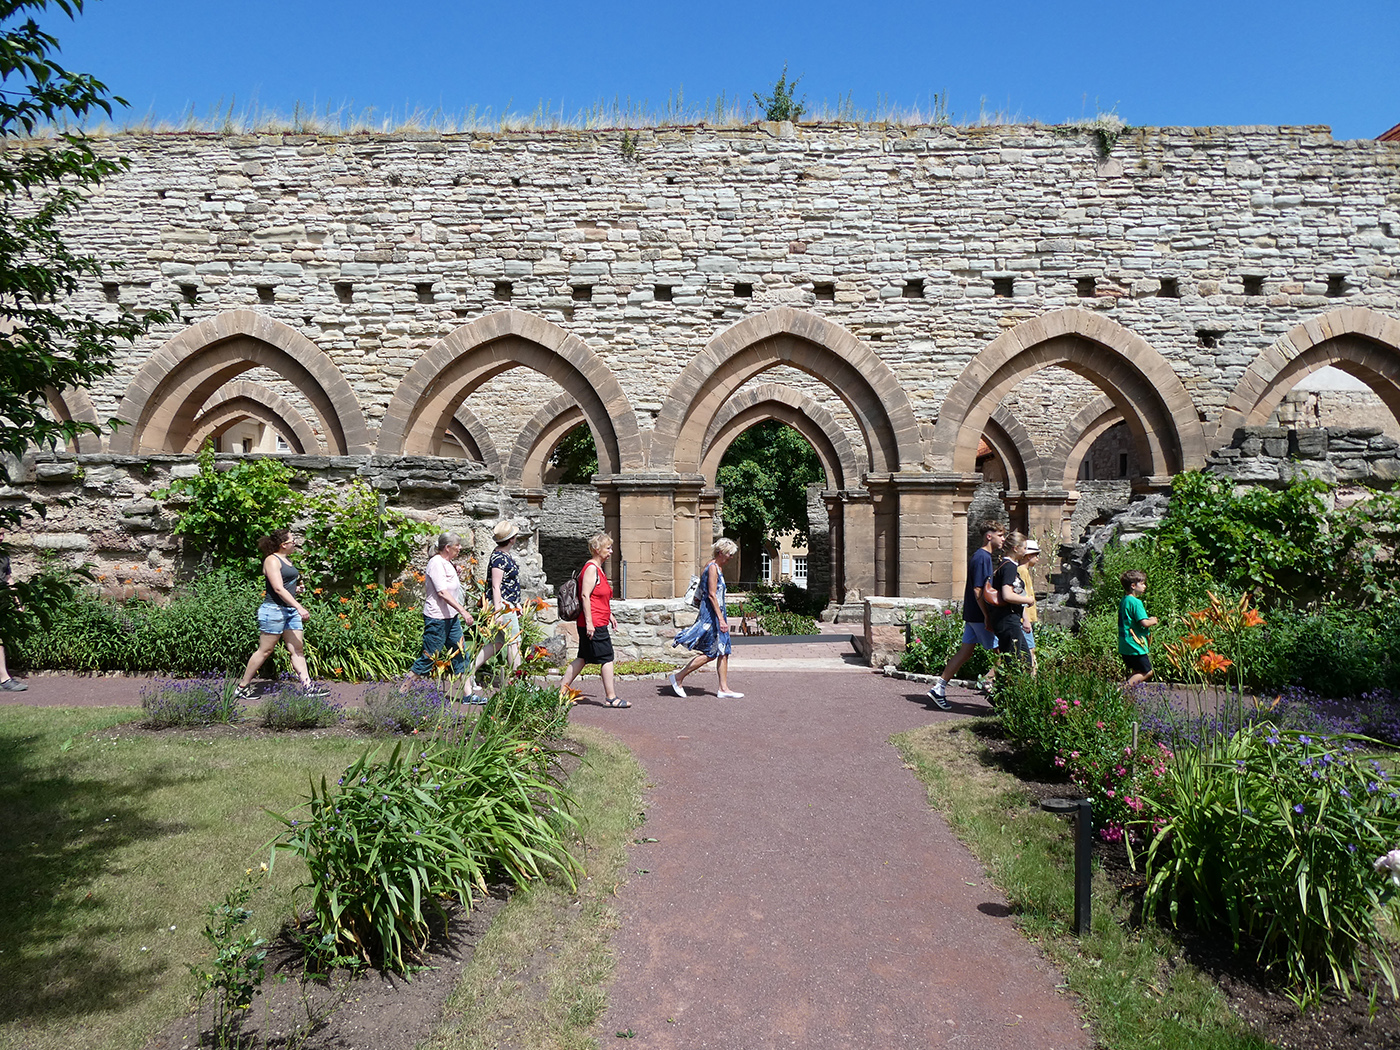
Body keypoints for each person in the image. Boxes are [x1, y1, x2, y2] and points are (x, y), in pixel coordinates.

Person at [236, 529, 328, 699]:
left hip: (289, 611)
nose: (295, 544)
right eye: (293, 541)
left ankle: (308, 687)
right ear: (283, 545)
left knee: (297, 650)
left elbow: (284, 585)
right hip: (274, 611)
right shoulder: (272, 560)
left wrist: (296, 590)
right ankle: (242, 687)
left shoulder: (287, 560)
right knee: (265, 650)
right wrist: (299, 607)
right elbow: (277, 588)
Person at [927, 520, 1004, 710]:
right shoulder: (982, 557)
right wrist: (987, 616)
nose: (1003, 539)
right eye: (1000, 535)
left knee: (965, 652)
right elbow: (979, 589)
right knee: (1004, 653)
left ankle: (939, 688)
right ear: (989, 536)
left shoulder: (981, 556)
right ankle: (987, 683)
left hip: (972, 614)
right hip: (979, 615)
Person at [401, 532, 483, 701]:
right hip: (437, 619)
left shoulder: (447, 563)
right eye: (457, 545)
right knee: (429, 657)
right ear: (447, 547)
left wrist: (455, 572)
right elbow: (442, 592)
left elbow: (448, 584)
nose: (460, 548)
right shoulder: (436, 563)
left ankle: (468, 695)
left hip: (451, 619)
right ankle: (401, 693)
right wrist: (463, 611)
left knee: (461, 654)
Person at [559, 532, 628, 707]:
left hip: (596, 620)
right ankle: (611, 698)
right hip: (593, 622)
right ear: (597, 549)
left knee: (582, 658)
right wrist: (590, 623)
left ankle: (561, 693)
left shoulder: (598, 569)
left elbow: (599, 596)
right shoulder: (591, 569)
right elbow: (585, 595)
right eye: (608, 548)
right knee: (607, 657)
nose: (611, 551)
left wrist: (609, 615)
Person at [669, 538, 743, 699]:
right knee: (711, 652)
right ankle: (678, 677)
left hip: (717, 614)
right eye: (729, 554)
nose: (731, 557)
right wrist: (721, 620)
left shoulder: (716, 567)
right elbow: (711, 595)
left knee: (724, 651)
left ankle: (723, 688)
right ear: (720, 553)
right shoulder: (713, 568)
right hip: (711, 616)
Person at [470, 520, 523, 684]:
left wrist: (517, 603)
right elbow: (496, 586)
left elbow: (510, 583)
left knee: (498, 643)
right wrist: (499, 611)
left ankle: (469, 672)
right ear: (511, 539)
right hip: (503, 606)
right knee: (514, 642)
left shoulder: (503, 555)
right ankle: (518, 683)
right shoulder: (499, 558)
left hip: (508, 604)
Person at [988, 531, 1035, 666]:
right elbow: (1007, 595)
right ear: (1015, 548)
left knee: (1025, 660)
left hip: (1011, 619)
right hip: (1007, 619)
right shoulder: (1009, 567)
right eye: (1024, 548)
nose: (1025, 551)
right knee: (1015, 661)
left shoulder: (1008, 565)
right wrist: (1028, 600)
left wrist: (1025, 617)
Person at [1118, 569, 1158, 689]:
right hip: (1135, 645)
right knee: (1147, 672)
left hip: (1125, 643)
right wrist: (1153, 620)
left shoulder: (1124, 600)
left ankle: (1126, 694)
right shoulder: (1136, 602)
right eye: (1142, 583)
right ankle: (1121, 691)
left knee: (1137, 671)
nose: (1145, 586)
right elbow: (1144, 623)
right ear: (1133, 586)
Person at [0, 531, 26, 691]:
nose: (1, 537)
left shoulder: (3, 556)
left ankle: (4, 679)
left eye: (2, 533)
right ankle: (4, 680)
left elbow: (9, 579)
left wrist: (18, 601)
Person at [1018, 539, 1041, 673]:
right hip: (1023, 619)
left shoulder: (1025, 571)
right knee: (1030, 650)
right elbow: (1021, 595)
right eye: (1036, 555)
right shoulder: (1022, 571)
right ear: (1028, 556)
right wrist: (1026, 619)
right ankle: (1031, 678)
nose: (1037, 559)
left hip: (1026, 618)